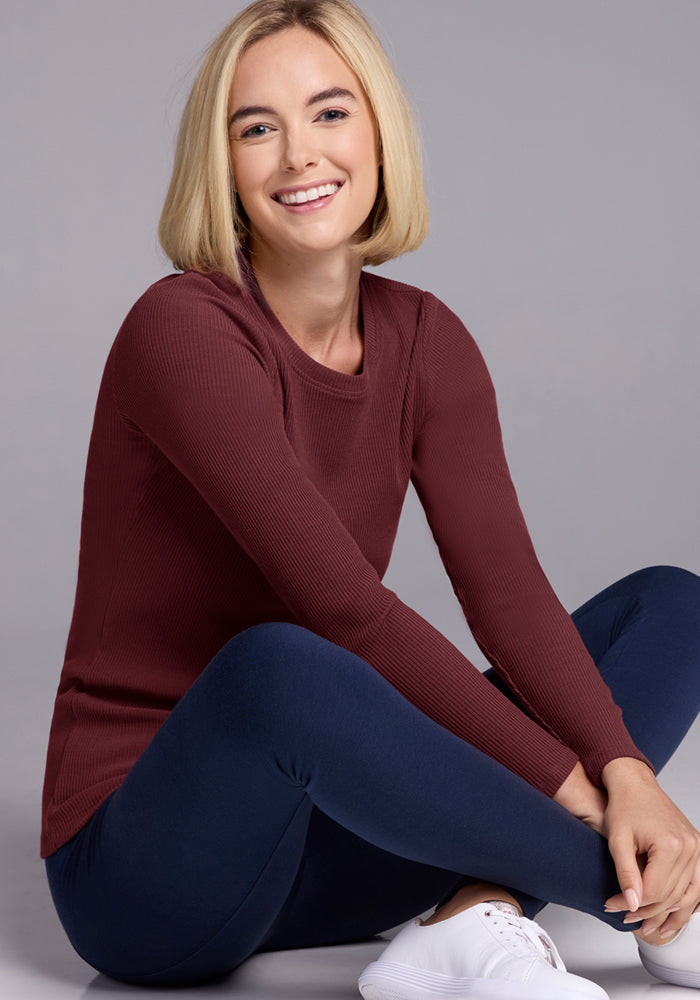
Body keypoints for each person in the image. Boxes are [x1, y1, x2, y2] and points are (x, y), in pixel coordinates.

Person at [41, 2, 700, 998]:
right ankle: (659, 889)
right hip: (148, 868)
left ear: (380, 131)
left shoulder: (427, 341)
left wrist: (625, 767)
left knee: (671, 605)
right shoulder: (179, 329)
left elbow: (511, 604)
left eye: (329, 113)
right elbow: (343, 609)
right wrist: (587, 797)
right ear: (221, 165)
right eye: (256, 127)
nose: (298, 154)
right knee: (286, 661)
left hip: (332, 829)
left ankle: (473, 913)